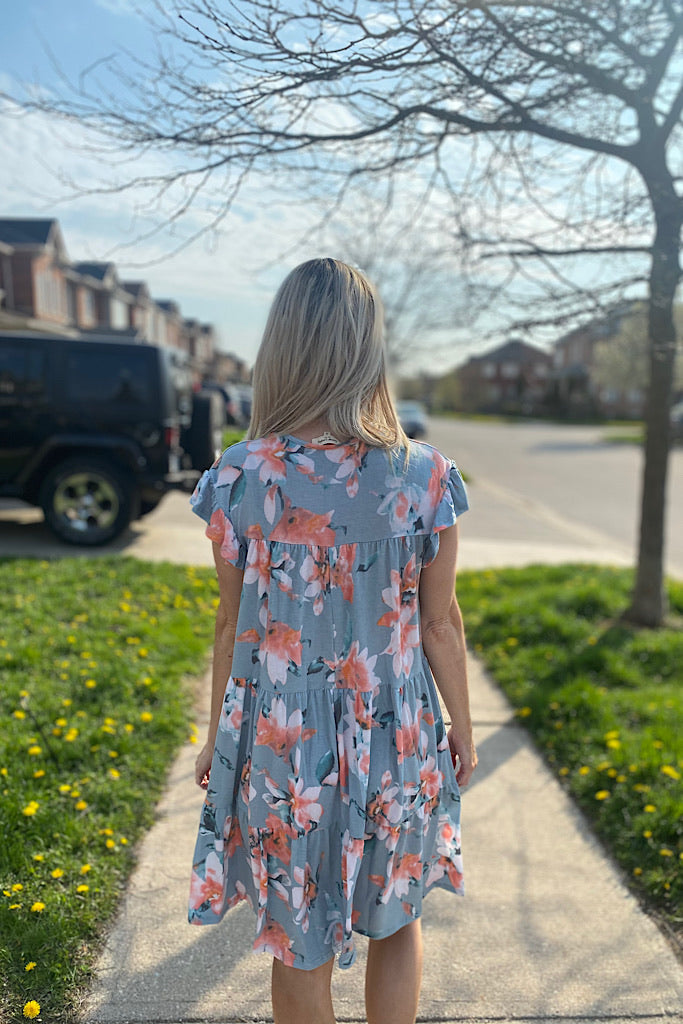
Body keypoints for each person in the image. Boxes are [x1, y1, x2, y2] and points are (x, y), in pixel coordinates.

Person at [189, 257, 477, 1024]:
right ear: (368, 348)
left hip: (283, 746)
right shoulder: (424, 477)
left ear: (279, 348)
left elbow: (232, 624)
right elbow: (439, 622)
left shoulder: (238, 478)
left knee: (297, 939)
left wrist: (215, 738)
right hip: (399, 734)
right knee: (396, 921)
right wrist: (464, 733)